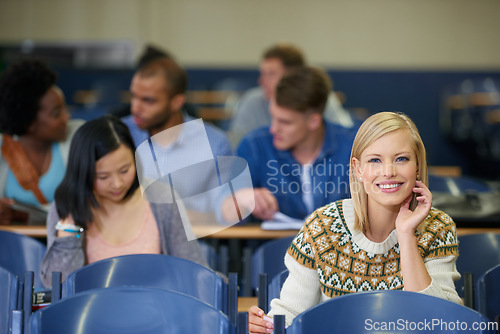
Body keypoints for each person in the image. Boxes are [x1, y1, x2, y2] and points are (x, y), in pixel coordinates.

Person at [248, 111, 462, 331]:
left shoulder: (437, 227)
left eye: (401, 159)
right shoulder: (323, 226)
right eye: (375, 160)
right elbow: (290, 315)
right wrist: (267, 326)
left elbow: (441, 323)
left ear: (417, 165)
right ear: (358, 169)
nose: (388, 171)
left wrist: (406, 234)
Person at [40, 115, 208, 288]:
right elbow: (55, 286)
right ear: (83, 173)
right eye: (103, 176)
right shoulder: (68, 205)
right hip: (92, 311)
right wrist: (69, 236)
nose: (118, 184)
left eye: (124, 170)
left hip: (155, 308)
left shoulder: (161, 197)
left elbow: (194, 268)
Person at [223, 66, 356, 222]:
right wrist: (241, 197)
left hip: (338, 245)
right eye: (273, 117)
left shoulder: (353, 147)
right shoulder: (254, 146)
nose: (273, 129)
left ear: (313, 121)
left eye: (285, 122)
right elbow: (225, 213)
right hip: (274, 245)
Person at [0, 59, 84, 225]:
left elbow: (85, 206)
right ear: (29, 122)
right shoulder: (2, 149)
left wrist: (24, 216)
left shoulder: (79, 138)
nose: (67, 117)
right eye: (56, 113)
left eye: (65, 109)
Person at [229, 42, 355, 147]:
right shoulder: (252, 100)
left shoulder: (319, 97)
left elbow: (345, 137)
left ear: (295, 76)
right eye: (262, 73)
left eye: (271, 74)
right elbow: (238, 145)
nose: (261, 81)